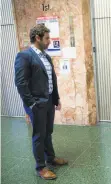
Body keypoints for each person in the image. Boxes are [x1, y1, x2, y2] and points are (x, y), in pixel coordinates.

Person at [14, 24, 68, 180]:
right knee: (39, 135)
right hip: (36, 104)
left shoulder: (46, 56)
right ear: (37, 38)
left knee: (48, 132)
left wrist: (56, 98)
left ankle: (50, 158)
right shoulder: (24, 56)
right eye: (47, 38)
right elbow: (20, 82)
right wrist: (31, 103)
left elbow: (52, 79)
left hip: (49, 101)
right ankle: (41, 167)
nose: (49, 41)